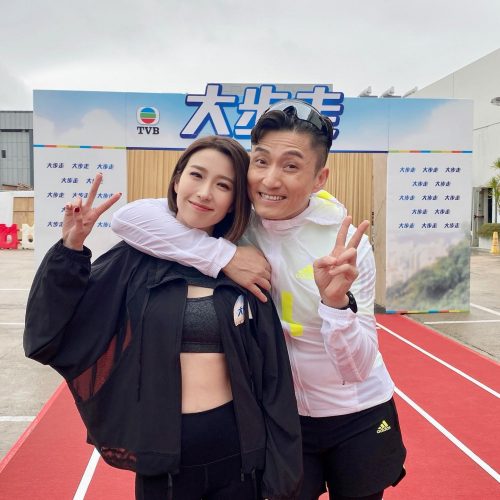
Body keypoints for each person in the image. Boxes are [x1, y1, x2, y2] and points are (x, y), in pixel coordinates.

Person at [111, 100, 407, 500]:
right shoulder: (234, 224)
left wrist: (337, 306)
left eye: (291, 166)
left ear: (319, 178)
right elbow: (128, 219)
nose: (270, 180)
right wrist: (225, 255)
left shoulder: (347, 247)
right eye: (261, 161)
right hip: (280, 416)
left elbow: (357, 369)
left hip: (358, 413)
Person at [24, 136, 303, 500]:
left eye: (223, 186)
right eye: (196, 175)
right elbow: (52, 330)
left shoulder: (246, 267)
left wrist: (282, 477)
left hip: (239, 458)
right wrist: (71, 249)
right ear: (176, 181)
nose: (204, 193)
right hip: (163, 463)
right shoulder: (133, 260)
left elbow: (273, 377)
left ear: (234, 202)